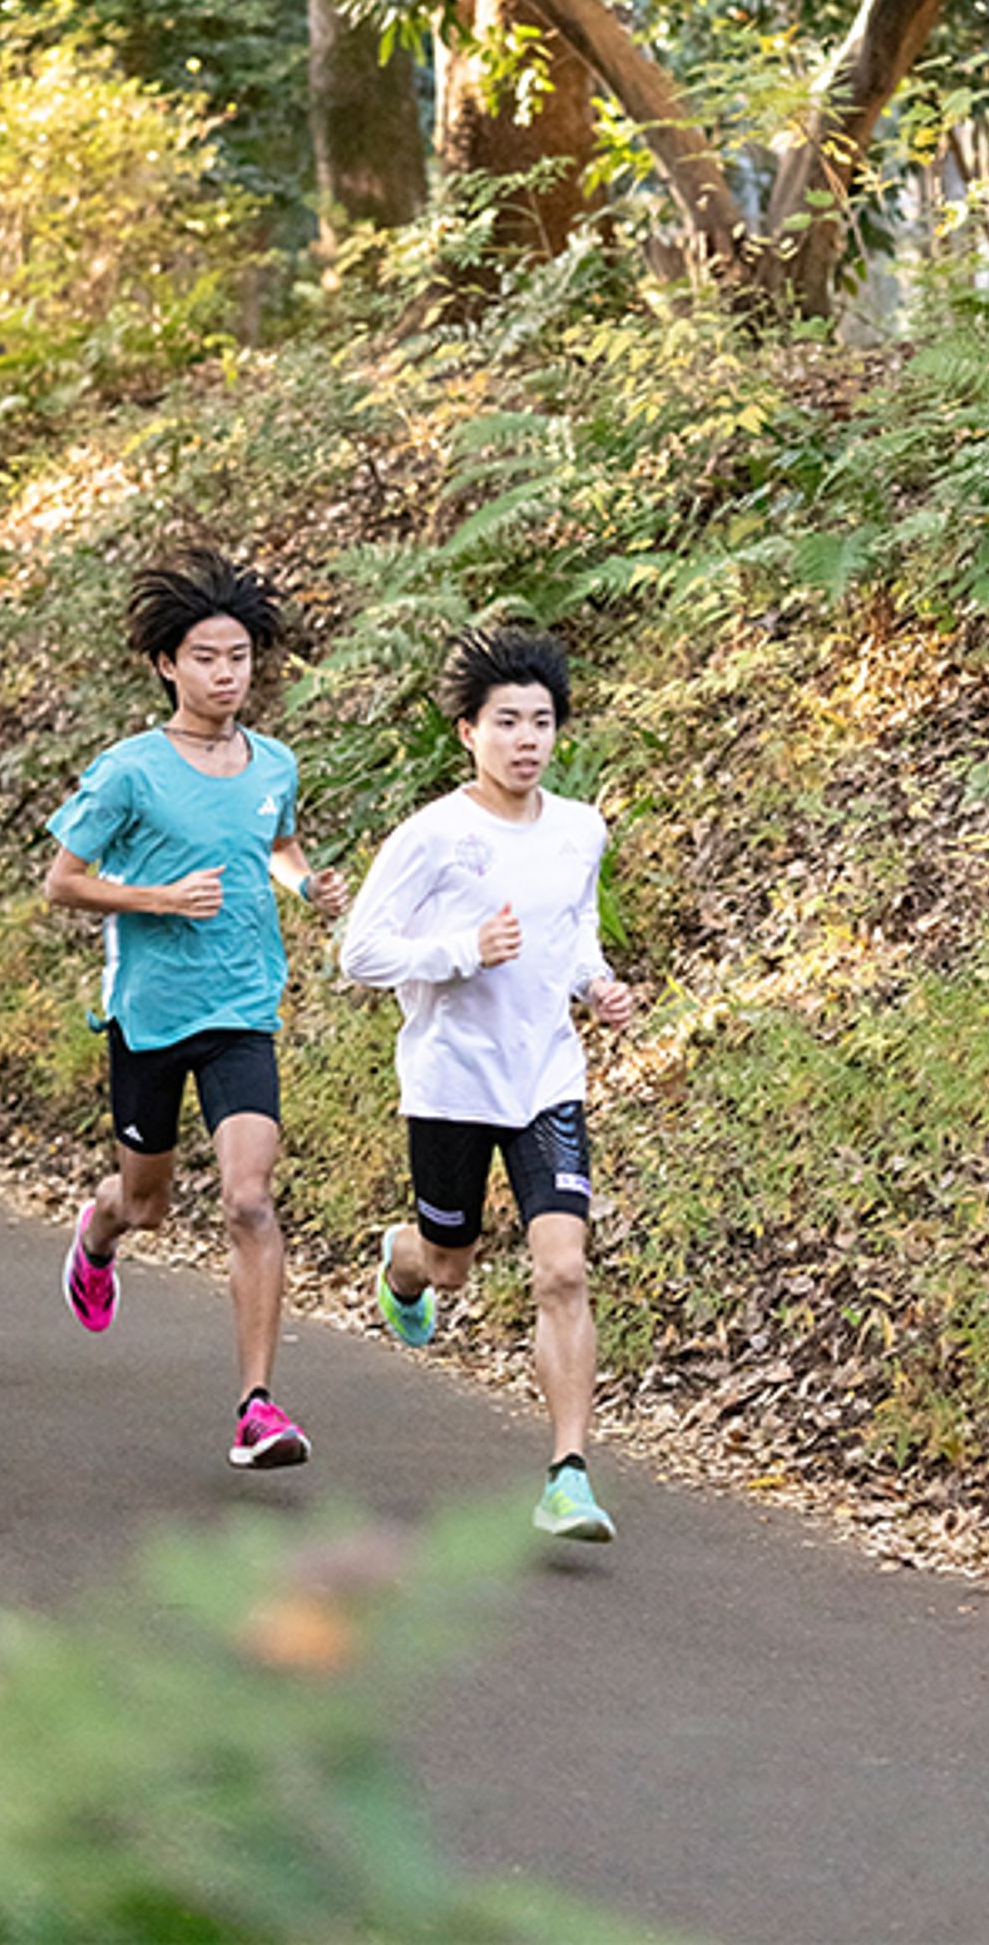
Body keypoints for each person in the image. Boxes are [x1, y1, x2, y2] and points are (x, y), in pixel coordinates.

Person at [44, 547, 348, 1469]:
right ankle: (98, 1234)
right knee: (147, 1205)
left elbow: (279, 847)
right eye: (208, 658)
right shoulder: (130, 771)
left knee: (250, 1198)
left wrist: (308, 888)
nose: (227, 675)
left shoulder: (275, 764)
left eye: (242, 658)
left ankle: (258, 1408)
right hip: (149, 1012)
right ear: (168, 665)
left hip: (242, 1006)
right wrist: (159, 900)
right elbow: (63, 884)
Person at [339, 625, 634, 1541]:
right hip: (450, 1081)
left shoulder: (581, 828)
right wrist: (463, 951)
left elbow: (574, 928)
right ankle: (406, 1258)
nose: (527, 740)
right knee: (453, 1265)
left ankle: (568, 1475)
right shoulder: (433, 837)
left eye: (541, 722)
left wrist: (596, 982)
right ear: (468, 731)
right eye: (506, 721)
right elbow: (360, 954)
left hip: (546, 1077)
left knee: (563, 1268)